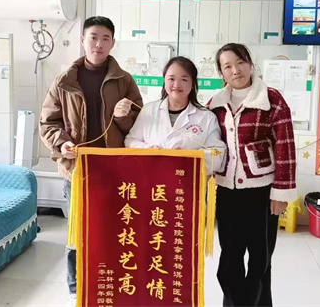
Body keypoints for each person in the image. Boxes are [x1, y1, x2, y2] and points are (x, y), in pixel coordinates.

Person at [39, 16, 143, 305]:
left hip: (114, 170)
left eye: (105, 38)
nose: (99, 44)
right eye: (93, 37)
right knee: (78, 231)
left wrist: (124, 117)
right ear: (82, 40)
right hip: (77, 170)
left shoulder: (124, 80)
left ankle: (110, 284)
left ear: (113, 42)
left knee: (115, 228)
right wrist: (62, 143)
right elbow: (48, 122)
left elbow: (140, 125)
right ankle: (76, 289)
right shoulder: (64, 81)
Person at [207, 43, 296, 307]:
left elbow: (285, 146)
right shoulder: (215, 104)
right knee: (229, 260)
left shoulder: (272, 99)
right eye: (227, 66)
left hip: (262, 193)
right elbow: (207, 142)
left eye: (240, 62)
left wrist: (281, 193)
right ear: (221, 73)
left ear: (250, 64)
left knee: (260, 261)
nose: (235, 70)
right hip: (227, 192)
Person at [125, 56, 226, 175]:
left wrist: (188, 157)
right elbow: (130, 140)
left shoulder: (206, 117)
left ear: (193, 84)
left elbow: (218, 155)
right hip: (152, 179)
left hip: (187, 181)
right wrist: (148, 150)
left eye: (184, 79)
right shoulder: (149, 110)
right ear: (164, 81)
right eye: (171, 79)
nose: (177, 84)